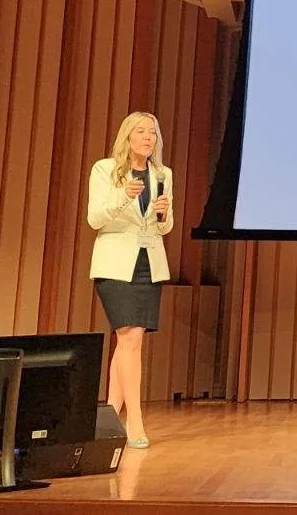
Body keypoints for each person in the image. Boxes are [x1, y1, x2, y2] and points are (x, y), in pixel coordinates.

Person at [88, 111, 175, 449]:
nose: (147, 138)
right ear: (127, 136)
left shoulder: (162, 173)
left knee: (127, 342)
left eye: (152, 132)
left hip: (148, 264)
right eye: (140, 132)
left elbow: (165, 227)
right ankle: (134, 419)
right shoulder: (105, 169)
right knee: (130, 339)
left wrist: (164, 214)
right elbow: (95, 218)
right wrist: (123, 195)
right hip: (115, 264)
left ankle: (108, 420)